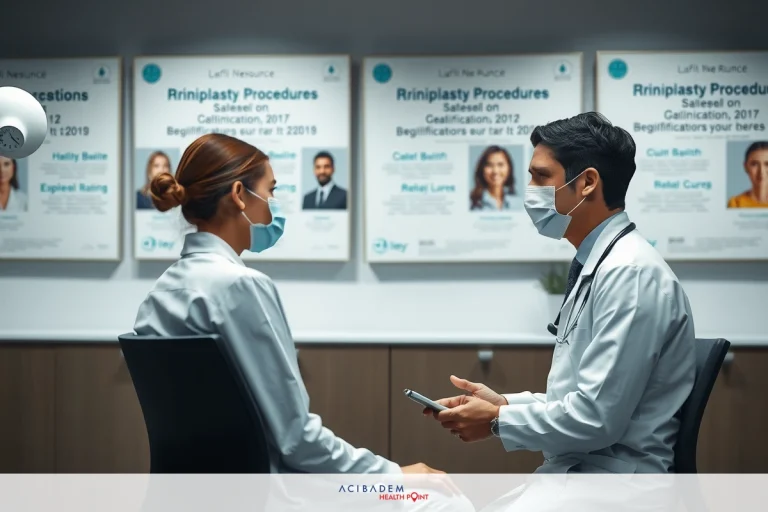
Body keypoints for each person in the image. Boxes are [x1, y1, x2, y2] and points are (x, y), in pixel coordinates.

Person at [132, 133, 470, 510]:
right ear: (240, 195)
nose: (274, 206)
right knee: (438, 500)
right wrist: (393, 476)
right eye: (270, 192)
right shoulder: (241, 286)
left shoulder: (160, 294)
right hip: (271, 495)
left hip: (193, 497)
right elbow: (296, 439)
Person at [427, 113, 695, 506]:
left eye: (540, 176)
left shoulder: (630, 274)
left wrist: (498, 421)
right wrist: (503, 404)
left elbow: (595, 419)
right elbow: (584, 398)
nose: (529, 189)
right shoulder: (603, 264)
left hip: (614, 488)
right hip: (582, 476)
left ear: (586, 182)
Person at [469, 146, 515, 211]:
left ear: (509, 168)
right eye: (489, 165)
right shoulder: (470, 203)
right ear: (482, 169)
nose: (495, 171)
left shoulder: (519, 203)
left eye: (500, 164)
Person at [727, 141, 768, 208]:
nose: (761, 172)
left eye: (767, 164)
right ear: (745, 167)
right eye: (754, 164)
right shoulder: (735, 203)